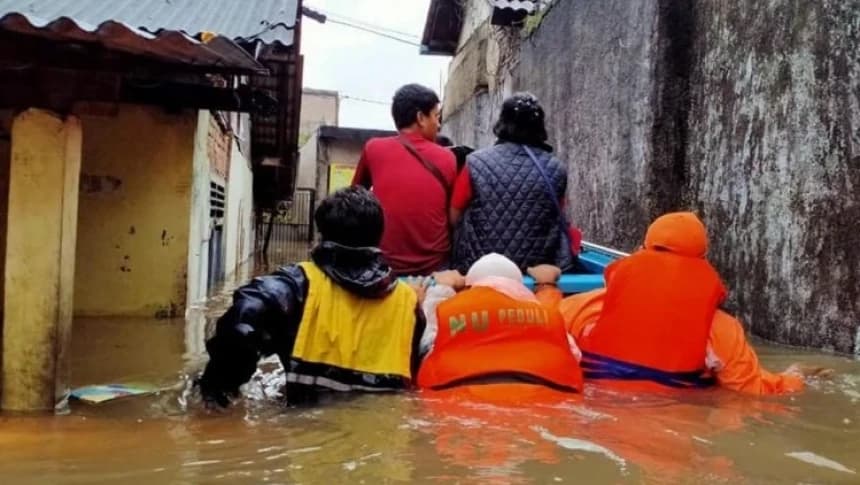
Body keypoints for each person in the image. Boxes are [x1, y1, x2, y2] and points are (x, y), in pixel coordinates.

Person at [197, 186, 425, 408]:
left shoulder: (297, 285)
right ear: (379, 237)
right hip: (385, 437)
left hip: (302, 431)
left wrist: (217, 392)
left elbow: (241, 322)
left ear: (322, 234)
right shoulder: (410, 304)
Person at [559, 211, 827, 395]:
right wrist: (796, 378)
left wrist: (548, 288)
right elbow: (751, 391)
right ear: (702, 259)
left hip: (593, 421)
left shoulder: (586, 307)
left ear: (642, 249)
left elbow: (543, 328)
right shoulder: (720, 329)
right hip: (673, 429)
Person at [414, 253, 582, 394]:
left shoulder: (449, 310)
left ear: (468, 288)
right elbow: (575, 355)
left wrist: (441, 289)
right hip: (545, 393)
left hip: (457, 392)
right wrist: (546, 286)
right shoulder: (548, 315)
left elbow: (425, 346)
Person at [450, 92, 575, 273]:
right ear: (540, 126)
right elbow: (557, 214)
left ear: (502, 122)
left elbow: (454, 216)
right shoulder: (556, 167)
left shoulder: (475, 162)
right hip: (538, 274)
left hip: (482, 270)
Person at [352, 84, 457, 276]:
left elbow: (354, 199)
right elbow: (453, 214)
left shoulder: (373, 148)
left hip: (384, 267)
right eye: (436, 116)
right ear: (420, 118)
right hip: (435, 269)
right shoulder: (448, 158)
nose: (439, 124)